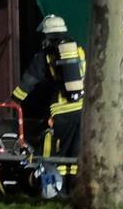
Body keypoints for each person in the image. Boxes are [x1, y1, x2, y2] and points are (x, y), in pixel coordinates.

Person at [13, 13, 87, 158]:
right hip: (82, 108)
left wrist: (14, 99)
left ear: (47, 35)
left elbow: (30, 79)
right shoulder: (78, 49)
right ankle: (73, 180)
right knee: (76, 152)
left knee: (61, 152)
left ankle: (58, 179)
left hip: (62, 110)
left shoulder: (47, 54)